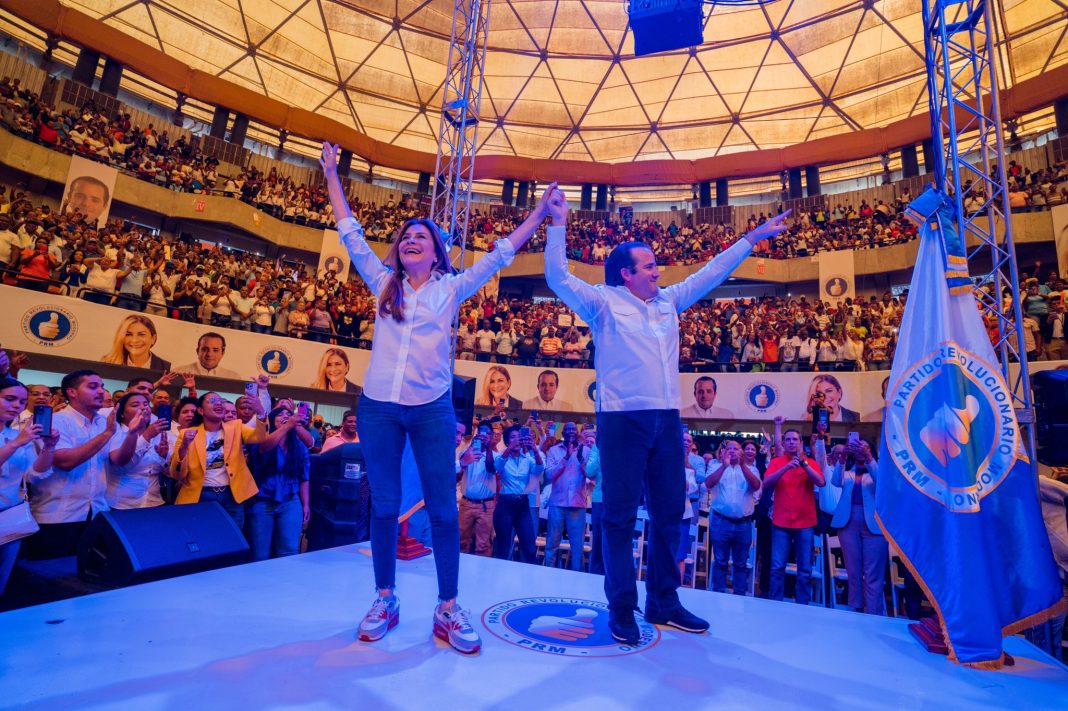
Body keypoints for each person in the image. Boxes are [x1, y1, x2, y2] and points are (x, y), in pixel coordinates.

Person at [321, 141, 550, 654]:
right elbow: (349, 231)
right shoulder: (381, 282)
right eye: (405, 237)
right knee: (382, 507)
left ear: (436, 249)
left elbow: (503, 252)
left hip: (431, 409)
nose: (411, 241)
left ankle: (447, 608)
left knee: (445, 511)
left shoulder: (452, 288)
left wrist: (538, 210)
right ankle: (386, 598)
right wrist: (332, 174)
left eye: (421, 236)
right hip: (378, 406)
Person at [544, 186, 790, 643]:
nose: (659, 270)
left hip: (667, 421)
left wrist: (751, 239)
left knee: (670, 512)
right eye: (650, 265)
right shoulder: (602, 303)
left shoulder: (667, 302)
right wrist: (558, 224)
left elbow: (712, 272)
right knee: (616, 518)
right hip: (621, 421)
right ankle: (621, 606)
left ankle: (663, 601)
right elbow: (557, 277)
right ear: (626, 274)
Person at [24, 370, 117, 559]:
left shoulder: (103, 422)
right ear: (72, 392)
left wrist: (135, 434)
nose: (100, 391)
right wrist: (107, 434)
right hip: (57, 515)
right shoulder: (55, 421)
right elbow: (66, 461)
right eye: (92, 386)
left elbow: (118, 461)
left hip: (97, 512)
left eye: (102, 386)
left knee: (89, 582)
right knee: (49, 581)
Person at [169, 388, 266, 530]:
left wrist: (261, 413)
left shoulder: (236, 427)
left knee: (232, 542)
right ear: (201, 411)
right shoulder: (186, 434)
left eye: (220, 401)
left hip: (231, 496)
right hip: (201, 496)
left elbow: (260, 437)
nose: (219, 403)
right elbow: (176, 474)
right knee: (202, 540)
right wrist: (184, 447)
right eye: (213, 401)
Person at [0, 376, 57, 594]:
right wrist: (16, 444)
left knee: (2, 584)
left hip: (9, 516)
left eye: (21, 402)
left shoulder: (16, 435)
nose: (16, 406)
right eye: (9, 399)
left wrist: (49, 449)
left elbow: (35, 474)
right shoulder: (18, 438)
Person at [763, 429, 825, 605]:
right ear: (783, 442)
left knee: (805, 569)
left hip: (805, 523)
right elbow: (766, 483)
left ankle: (802, 606)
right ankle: (775, 604)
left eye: (794, 439)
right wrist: (786, 467)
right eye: (788, 439)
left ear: (800, 443)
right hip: (781, 522)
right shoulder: (777, 462)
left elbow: (821, 482)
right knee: (777, 567)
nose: (791, 442)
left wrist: (804, 464)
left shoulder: (810, 463)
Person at [829, 438, 887, 614]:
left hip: (874, 526)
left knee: (872, 575)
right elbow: (835, 481)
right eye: (857, 447)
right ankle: (855, 610)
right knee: (853, 572)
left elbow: (882, 482)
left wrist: (869, 456)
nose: (860, 450)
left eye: (865, 447)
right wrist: (842, 458)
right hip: (848, 524)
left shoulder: (879, 470)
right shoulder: (848, 473)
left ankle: (874, 613)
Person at [245, 405, 311, 560]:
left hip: (290, 501)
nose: (285, 416)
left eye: (288, 414)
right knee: (260, 553)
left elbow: (304, 478)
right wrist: (288, 425)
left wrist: (305, 504)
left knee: (289, 551)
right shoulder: (260, 439)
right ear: (271, 421)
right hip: (262, 500)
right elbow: (264, 448)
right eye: (280, 415)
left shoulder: (299, 447)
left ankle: (286, 582)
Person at [705, 439, 761, 595]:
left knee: (741, 564)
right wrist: (724, 464)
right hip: (720, 521)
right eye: (728, 449)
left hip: (743, 524)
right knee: (720, 562)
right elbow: (708, 483)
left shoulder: (751, 468)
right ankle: (717, 597)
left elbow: (756, 486)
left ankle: (739, 598)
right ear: (723, 452)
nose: (732, 451)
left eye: (736, 449)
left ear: (741, 452)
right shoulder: (715, 466)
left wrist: (742, 465)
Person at [105, 392, 170, 509]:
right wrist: (146, 437)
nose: (143, 407)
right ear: (122, 414)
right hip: (123, 505)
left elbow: (163, 471)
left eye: (146, 404)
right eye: (135, 405)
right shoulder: (115, 433)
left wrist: (163, 457)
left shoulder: (157, 434)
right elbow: (120, 466)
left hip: (154, 501)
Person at [492, 425, 544, 564]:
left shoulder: (527, 458)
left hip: (523, 504)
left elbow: (539, 468)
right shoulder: (501, 456)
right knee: (503, 548)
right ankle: (498, 579)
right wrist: (509, 449)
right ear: (508, 441)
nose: (516, 440)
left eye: (518, 437)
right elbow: (497, 467)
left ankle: (528, 580)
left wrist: (535, 450)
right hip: (505, 504)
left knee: (530, 548)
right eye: (513, 437)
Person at [543, 422, 591, 571]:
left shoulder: (587, 450)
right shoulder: (553, 451)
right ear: (562, 433)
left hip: (577, 505)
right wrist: (566, 457)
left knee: (577, 549)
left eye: (573, 429)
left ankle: (576, 583)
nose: (571, 431)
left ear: (577, 433)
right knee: (552, 545)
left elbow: (590, 474)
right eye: (567, 429)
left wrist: (580, 451)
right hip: (557, 504)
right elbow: (549, 475)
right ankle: (547, 578)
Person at [458, 425, 496, 557]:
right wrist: (473, 443)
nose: (484, 436)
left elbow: (492, 468)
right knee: (461, 541)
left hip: (485, 506)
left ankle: (482, 574)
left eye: (488, 434)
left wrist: (489, 448)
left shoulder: (495, 455)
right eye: (481, 433)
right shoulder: (466, 451)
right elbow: (461, 462)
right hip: (466, 503)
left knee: (483, 545)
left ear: (492, 437)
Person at [100, 314, 171, 371]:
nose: (134, 340)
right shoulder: (107, 362)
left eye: (141, 334)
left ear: (153, 338)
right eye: (128, 334)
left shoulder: (165, 367)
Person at [172, 332, 241, 379]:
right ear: (197, 351)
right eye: (205, 349)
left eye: (215, 350)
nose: (209, 354)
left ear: (222, 353)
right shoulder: (177, 373)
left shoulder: (234, 378)